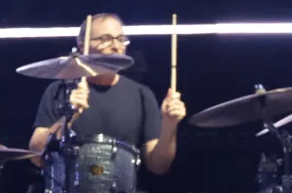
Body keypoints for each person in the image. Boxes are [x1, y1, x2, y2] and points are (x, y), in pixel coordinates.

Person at [28, 13, 186, 176]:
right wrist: (68, 116)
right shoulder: (60, 90)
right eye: (105, 39)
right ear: (82, 47)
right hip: (66, 190)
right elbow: (37, 156)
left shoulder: (141, 94)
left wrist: (169, 125)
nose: (116, 46)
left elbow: (158, 166)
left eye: (121, 39)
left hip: (122, 192)